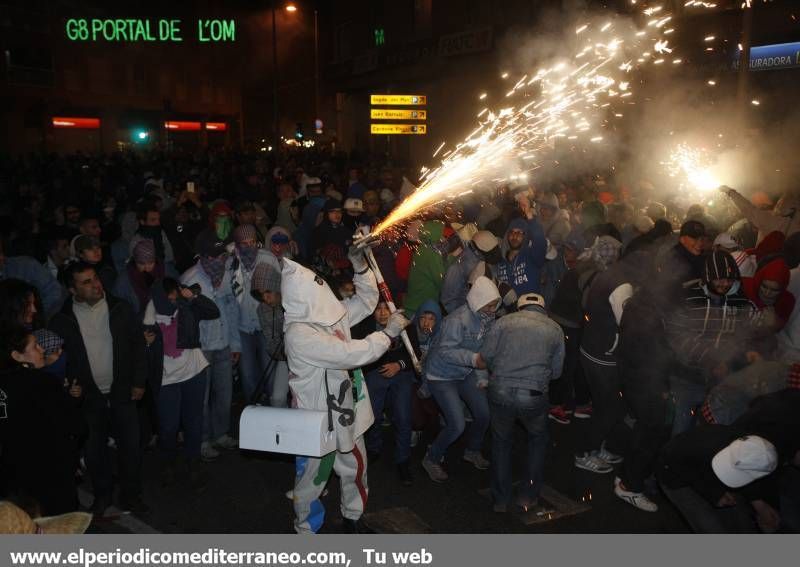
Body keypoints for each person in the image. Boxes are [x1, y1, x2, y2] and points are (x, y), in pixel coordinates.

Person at [281, 249, 410, 534]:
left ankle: (353, 517)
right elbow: (348, 354)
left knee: (355, 468)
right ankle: (306, 531)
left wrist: (360, 266)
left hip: (344, 413)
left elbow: (365, 300)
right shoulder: (299, 334)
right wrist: (386, 334)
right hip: (317, 422)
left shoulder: (327, 316)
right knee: (313, 480)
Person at [48, 261, 147, 515]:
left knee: (131, 448)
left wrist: (138, 382)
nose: (95, 285)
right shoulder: (62, 320)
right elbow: (59, 362)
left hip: (122, 391)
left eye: (95, 278)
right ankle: (102, 495)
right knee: (94, 452)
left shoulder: (120, 308)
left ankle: (131, 495)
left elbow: (138, 346)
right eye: (86, 282)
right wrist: (70, 388)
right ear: (72, 290)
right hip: (89, 398)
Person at [479, 293, 564, 513]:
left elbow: (486, 356)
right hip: (533, 395)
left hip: (500, 390)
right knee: (537, 441)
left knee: (501, 442)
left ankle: (500, 499)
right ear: (543, 309)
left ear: (519, 307)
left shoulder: (503, 322)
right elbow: (557, 372)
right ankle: (527, 496)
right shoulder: (555, 329)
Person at [664, 250, 756, 437]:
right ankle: (672, 460)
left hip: (721, 378)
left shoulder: (740, 300)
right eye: (719, 279)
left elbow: (742, 335)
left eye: (729, 279)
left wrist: (738, 357)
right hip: (687, 375)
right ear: (707, 277)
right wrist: (710, 359)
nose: (725, 284)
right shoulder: (688, 296)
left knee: (709, 429)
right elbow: (677, 334)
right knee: (681, 426)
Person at [0, 327, 85, 515]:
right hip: (48, 475)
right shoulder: (43, 383)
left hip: (13, 479)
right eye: (35, 346)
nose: (42, 350)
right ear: (17, 356)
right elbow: (74, 425)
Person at [422, 276, 499, 483]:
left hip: (464, 372)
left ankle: (472, 450)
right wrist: (474, 360)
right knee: (457, 424)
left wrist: (482, 376)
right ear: (478, 302)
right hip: (441, 375)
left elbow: (483, 351)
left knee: (483, 414)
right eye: (489, 305)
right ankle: (432, 457)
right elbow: (445, 351)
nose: (493, 309)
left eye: (495, 305)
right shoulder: (457, 320)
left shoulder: (487, 319)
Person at [143, 278, 219, 489]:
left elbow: (213, 312)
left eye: (175, 294)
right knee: (168, 426)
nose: (173, 299)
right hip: (166, 378)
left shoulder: (186, 306)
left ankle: (193, 463)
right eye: (169, 296)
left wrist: (194, 297)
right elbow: (140, 351)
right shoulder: (149, 314)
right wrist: (147, 345)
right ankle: (168, 463)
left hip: (193, 372)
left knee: (194, 422)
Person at [181, 231, 241, 461]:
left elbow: (232, 310)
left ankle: (220, 433)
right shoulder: (189, 279)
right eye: (213, 256)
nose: (219, 260)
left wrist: (235, 344)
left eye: (220, 255)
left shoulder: (226, 276)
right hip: (201, 347)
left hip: (224, 343)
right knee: (202, 398)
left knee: (225, 394)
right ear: (202, 256)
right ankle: (203, 439)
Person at [352, 300, 418, 486]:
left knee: (404, 416)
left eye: (386, 308)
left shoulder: (406, 325)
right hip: (376, 372)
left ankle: (403, 459)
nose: (382, 313)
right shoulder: (365, 327)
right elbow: (358, 353)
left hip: (401, 373)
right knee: (372, 413)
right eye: (377, 309)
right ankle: (374, 448)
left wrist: (398, 365)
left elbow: (416, 354)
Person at [229, 224, 275, 402]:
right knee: (247, 375)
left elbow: (279, 292)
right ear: (237, 244)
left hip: (265, 326)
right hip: (243, 328)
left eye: (252, 242)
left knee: (269, 372)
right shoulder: (230, 263)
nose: (249, 246)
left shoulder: (268, 259)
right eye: (244, 243)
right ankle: (253, 413)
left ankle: (274, 415)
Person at [251, 263, 288, 408]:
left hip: (305, 357)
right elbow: (270, 340)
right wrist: (282, 355)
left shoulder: (294, 299)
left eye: (268, 292)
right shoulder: (262, 309)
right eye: (261, 295)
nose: (266, 298)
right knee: (277, 398)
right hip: (284, 357)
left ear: (277, 286)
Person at [495, 199, 548, 298]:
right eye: (512, 232)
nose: (515, 236)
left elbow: (540, 241)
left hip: (531, 311)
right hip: (510, 313)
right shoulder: (501, 263)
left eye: (519, 233)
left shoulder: (532, 256)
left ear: (526, 236)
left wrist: (529, 214)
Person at [440, 230, 502, 314]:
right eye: (491, 252)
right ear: (478, 251)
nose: (495, 254)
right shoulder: (457, 269)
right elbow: (448, 302)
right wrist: (469, 314)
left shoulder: (483, 262)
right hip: (466, 316)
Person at [0, 238, 64, 317]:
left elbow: (54, 292)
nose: (1, 258)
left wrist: (33, 317)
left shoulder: (24, 266)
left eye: (1, 252)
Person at [719, 185, 800, 244]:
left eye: (778, 204)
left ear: (783, 206)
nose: (775, 207)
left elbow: (749, 209)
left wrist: (730, 192)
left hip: (773, 262)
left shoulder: (775, 221)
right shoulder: (794, 219)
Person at [404, 221, 454, 313]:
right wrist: (453, 258)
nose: (443, 238)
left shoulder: (423, 248)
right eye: (441, 234)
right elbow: (441, 281)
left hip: (413, 305)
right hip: (419, 309)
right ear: (434, 235)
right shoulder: (431, 255)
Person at [128, 199, 177, 273]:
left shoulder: (160, 232)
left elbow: (170, 256)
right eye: (153, 220)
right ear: (142, 222)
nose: (158, 223)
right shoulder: (136, 242)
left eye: (158, 219)